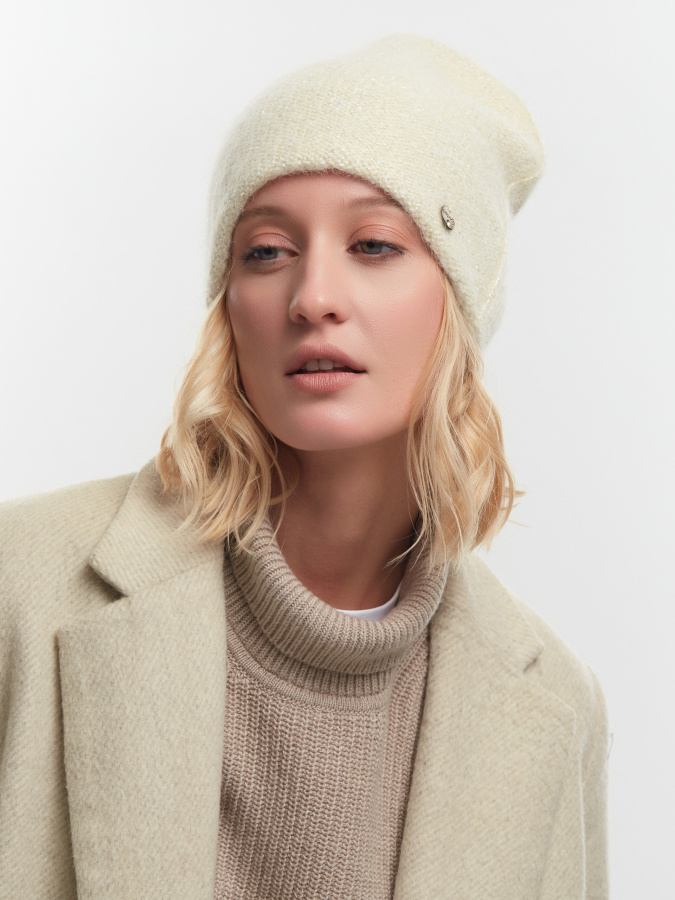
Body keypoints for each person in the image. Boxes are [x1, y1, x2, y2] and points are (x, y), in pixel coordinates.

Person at [0, 34, 608, 900]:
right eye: (265, 251)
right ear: (228, 307)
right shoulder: (21, 587)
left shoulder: (554, 707)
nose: (313, 296)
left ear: (459, 301)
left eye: (373, 245)